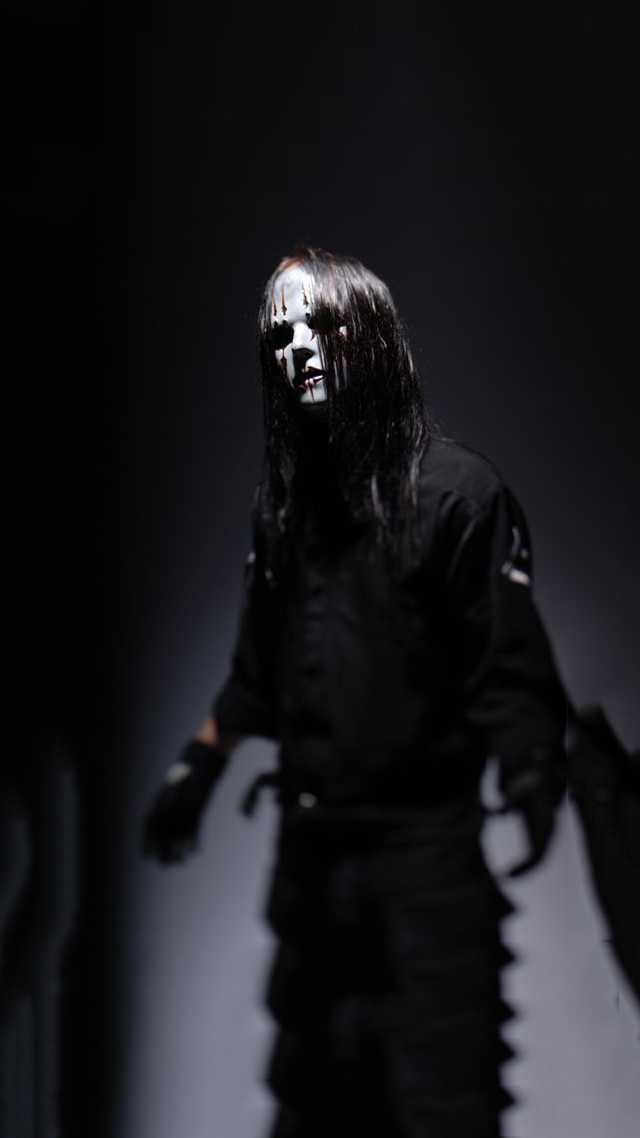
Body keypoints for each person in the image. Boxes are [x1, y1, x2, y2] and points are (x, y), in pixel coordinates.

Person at [143, 246, 568, 1138]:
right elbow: (257, 668)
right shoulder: (285, 513)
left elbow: (508, 662)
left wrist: (531, 767)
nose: (298, 348)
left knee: (439, 1106)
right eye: (280, 336)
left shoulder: (459, 496)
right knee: (318, 1112)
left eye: (320, 325)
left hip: (425, 869)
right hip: (314, 870)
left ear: (368, 334)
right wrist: (198, 767)